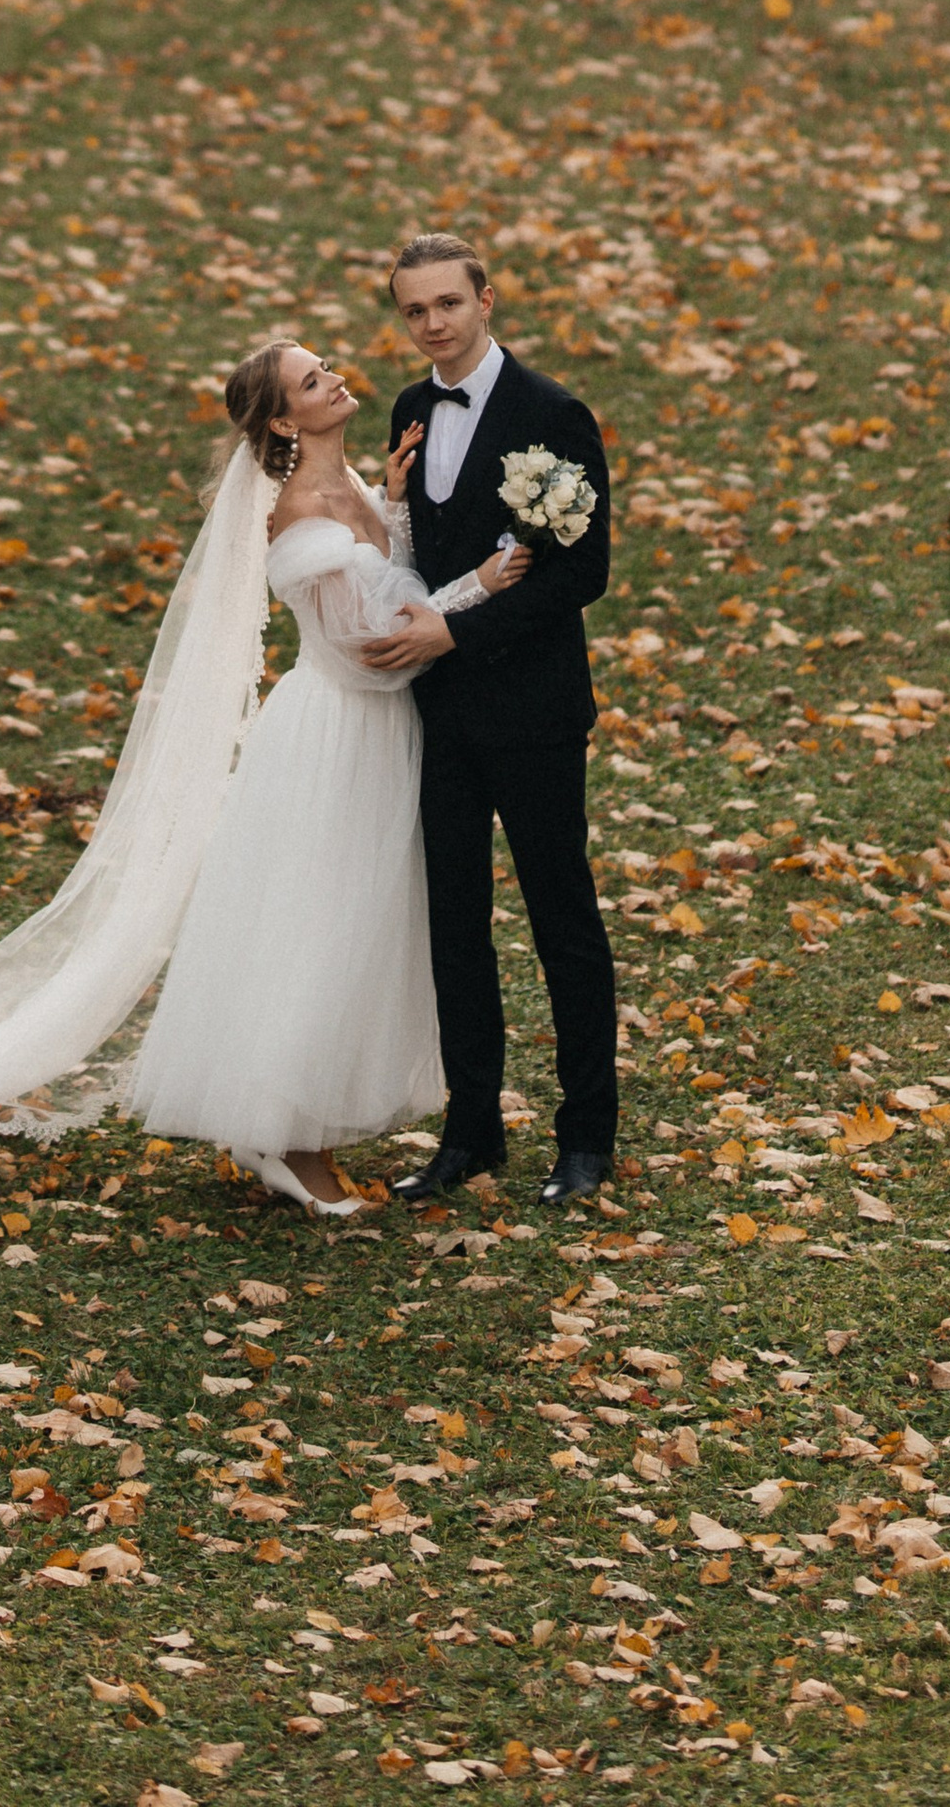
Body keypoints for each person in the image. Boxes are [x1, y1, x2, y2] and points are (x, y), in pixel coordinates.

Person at [0, 339, 523, 1212]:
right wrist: (478, 587)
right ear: (282, 420)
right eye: (312, 381)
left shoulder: (356, 492)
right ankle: (276, 1136)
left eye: (327, 365)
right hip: (336, 733)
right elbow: (369, 651)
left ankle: (308, 1125)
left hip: (383, 742)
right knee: (315, 927)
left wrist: (402, 501)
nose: (335, 378)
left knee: (361, 930)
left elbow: (395, 574)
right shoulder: (302, 513)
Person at [367, 230, 620, 1210]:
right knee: (455, 928)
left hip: (534, 711)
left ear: (486, 300)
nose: (432, 324)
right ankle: (469, 1132)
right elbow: (417, 554)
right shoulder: (408, 410)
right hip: (436, 720)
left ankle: (586, 1137)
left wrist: (455, 637)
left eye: (447, 304)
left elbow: (582, 572)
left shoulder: (551, 413)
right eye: (413, 311)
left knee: (563, 923)